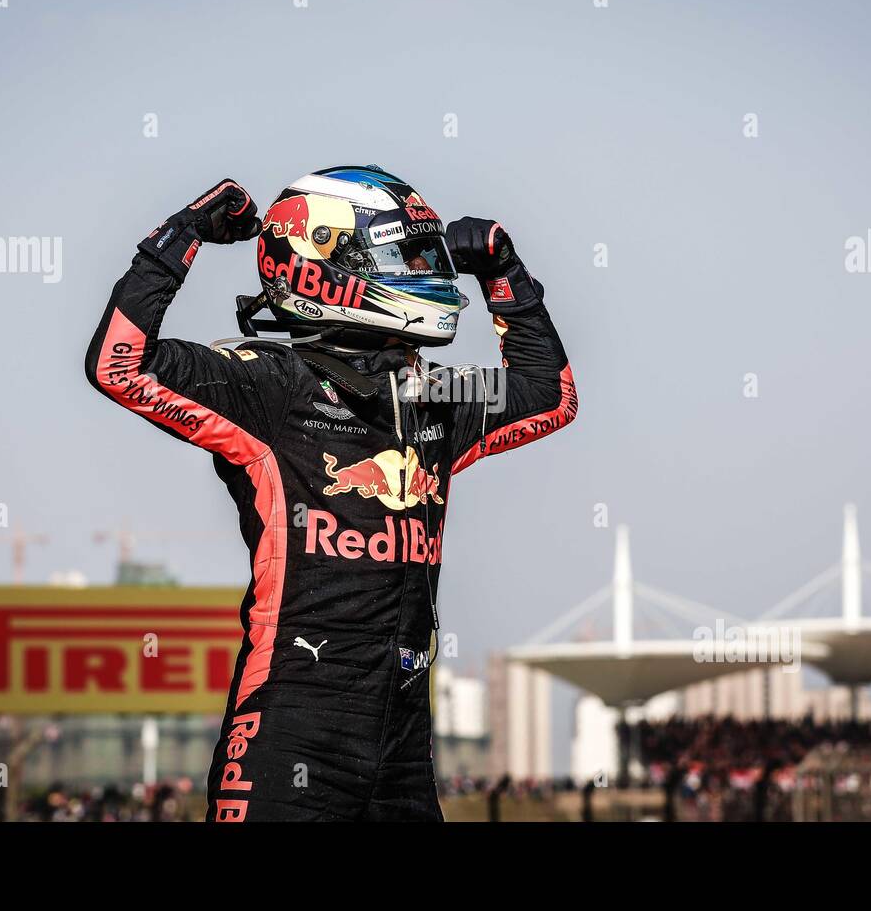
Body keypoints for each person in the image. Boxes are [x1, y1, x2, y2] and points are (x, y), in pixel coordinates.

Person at [86, 167, 577, 821]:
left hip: (402, 747)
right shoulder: (268, 385)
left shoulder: (435, 396)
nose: (431, 268)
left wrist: (504, 275)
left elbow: (551, 396)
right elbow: (119, 365)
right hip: (291, 735)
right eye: (409, 253)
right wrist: (180, 237)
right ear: (327, 260)